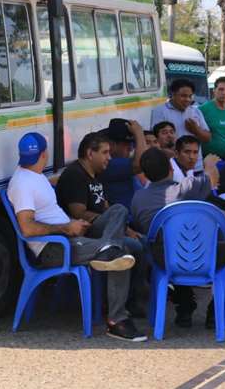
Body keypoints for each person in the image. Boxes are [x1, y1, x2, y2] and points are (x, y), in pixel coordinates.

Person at [8, 132, 147, 342]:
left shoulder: (34, 175)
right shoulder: (22, 184)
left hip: (70, 236)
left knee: (118, 210)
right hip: (55, 248)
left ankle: (108, 248)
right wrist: (67, 227)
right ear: (45, 154)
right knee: (122, 254)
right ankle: (116, 321)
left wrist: (73, 225)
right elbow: (27, 229)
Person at [130, 147, 225, 329]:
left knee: (169, 246)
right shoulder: (186, 188)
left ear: (144, 174)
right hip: (202, 257)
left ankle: (184, 305)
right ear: (170, 169)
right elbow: (212, 179)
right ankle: (217, 313)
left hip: (161, 260)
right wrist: (209, 163)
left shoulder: (138, 198)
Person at [56, 131, 147, 319]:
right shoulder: (75, 175)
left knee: (142, 241)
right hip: (85, 233)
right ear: (90, 153)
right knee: (129, 241)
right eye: (105, 153)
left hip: (105, 232)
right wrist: (113, 224)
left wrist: (126, 229)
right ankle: (110, 254)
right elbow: (78, 214)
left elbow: (106, 208)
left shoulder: (95, 176)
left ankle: (137, 298)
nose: (109, 158)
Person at [171, 135, 225, 249]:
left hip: (194, 197)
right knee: (221, 214)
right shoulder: (173, 170)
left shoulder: (187, 168)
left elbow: (209, 186)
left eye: (195, 153)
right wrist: (213, 211)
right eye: (187, 152)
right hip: (182, 207)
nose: (192, 157)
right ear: (176, 153)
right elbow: (185, 198)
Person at [151, 78, 212, 171]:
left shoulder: (195, 111)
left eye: (190, 96)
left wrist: (196, 130)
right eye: (183, 96)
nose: (187, 99)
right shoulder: (160, 111)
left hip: (196, 167)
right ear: (173, 94)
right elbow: (155, 140)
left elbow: (208, 138)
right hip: (173, 167)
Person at [98, 119, 146, 210]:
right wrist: (139, 133)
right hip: (127, 220)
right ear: (111, 144)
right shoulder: (107, 164)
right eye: (126, 144)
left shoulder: (125, 162)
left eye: (132, 144)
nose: (131, 149)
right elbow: (141, 164)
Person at [201, 76, 225, 159]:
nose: (224, 93)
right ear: (214, 91)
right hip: (207, 159)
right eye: (221, 89)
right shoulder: (203, 110)